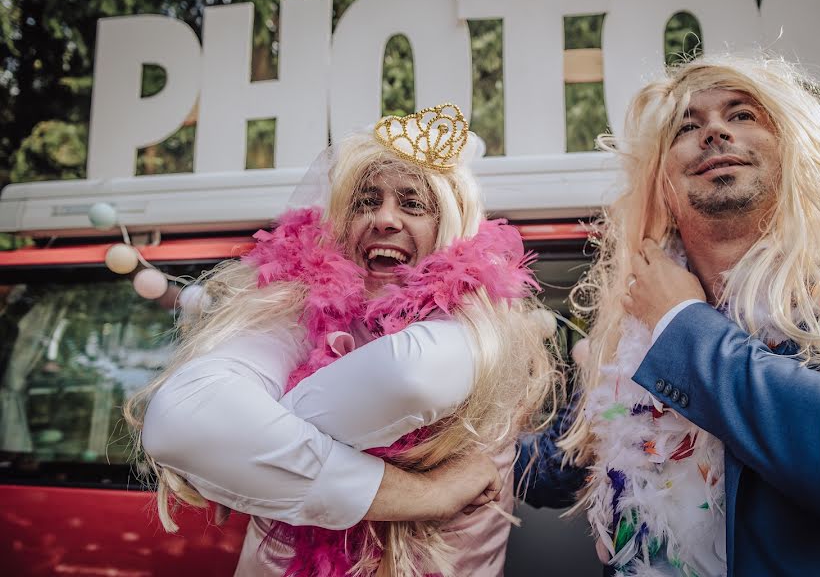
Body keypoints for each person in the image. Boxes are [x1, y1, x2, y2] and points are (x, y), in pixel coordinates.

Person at [125, 103, 559, 576]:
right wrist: (429, 494)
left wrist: (246, 459)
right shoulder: (297, 309)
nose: (385, 220)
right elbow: (185, 417)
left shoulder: (480, 329)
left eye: (412, 203)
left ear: (450, 227)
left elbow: (407, 376)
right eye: (365, 201)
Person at [518, 56, 820, 576]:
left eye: (742, 115)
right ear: (661, 183)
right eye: (686, 127)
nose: (715, 131)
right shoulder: (627, 331)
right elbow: (552, 475)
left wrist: (681, 320)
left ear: (791, 150)